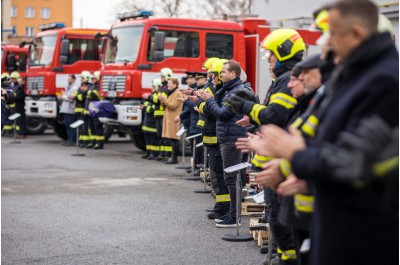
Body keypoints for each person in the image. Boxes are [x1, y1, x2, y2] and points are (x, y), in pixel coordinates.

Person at [256, 1, 398, 264]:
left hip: (361, 235)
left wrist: (294, 154)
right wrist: (305, 176)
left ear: (356, 34)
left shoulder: (384, 81)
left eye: (332, 34)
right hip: (337, 223)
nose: (325, 43)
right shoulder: (355, 76)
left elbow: (354, 162)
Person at [226, 29, 305, 265]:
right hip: (276, 159)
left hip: (281, 161)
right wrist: (253, 119)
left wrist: (246, 107)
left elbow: (275, 116)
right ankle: (282, 258)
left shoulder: (285, 80)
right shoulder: (282, 79)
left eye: (270, 55)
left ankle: (287, 260)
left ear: (283, 52)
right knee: (277, 218)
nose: (269, 60)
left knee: (281, 221)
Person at [197, 60, 247, 228]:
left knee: (231, 178)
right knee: (229, 177)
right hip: (227, 137)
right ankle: (231, 213)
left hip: (232, 139)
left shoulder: (236, 92)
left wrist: (209, 100)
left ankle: (234, 216)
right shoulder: (229, 90)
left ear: (233, 74)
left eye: (223, 72)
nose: (220, 75)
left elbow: (222, 114)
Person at [158, 77, 183, 164]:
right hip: (169, 118)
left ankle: (174, 158)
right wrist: (162, 100)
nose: (168, 85)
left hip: (174, 119)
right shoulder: (171, 93)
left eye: (170, 83)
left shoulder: (177, 94)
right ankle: (170, 156)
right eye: (168, 83)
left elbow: (173, 106)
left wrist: (164, 99)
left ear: (175, 84)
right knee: (170, 138)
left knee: (174, 138)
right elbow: (166, 105)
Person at [141, 78, 161, 160]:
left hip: (152, 122)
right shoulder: (151, 96)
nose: (152, 88)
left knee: (153, 140)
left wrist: (145, 108)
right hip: (147, 122)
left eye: (153, 86)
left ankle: (154, 153)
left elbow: (153, 109)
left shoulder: (156, 97)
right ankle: (149, 152)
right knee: (147, 139)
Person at [71, 71, 91, 147]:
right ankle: (81, 141)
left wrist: (76, 97)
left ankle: (86, 142)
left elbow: (82, 97)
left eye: (82, 78)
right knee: (80, 127)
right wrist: (75, 96)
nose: (81, 79)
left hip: (83, 109)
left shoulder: (88, 86)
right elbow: (76, 94)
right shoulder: (81, 86)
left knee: (85, 126)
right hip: (78, 110)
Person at [85, 71, 104, 149]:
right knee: (91, 126)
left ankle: (99, 143)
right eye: (92, 78)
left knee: (97, 126)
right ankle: (93, 142)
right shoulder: (92, 86)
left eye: (94, 78)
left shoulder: (100, 86)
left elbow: (100, 96)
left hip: (96, 109)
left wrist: (91, 93)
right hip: (90, 108)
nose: (93, 79)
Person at [58, 74, 78, 146]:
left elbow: (71, 99)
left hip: (70, 109)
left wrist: (63, 96)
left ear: (73, 79)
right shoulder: (67, 87)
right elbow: (67, 97)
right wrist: (64, 96)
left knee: (71, 125)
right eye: (68, 79)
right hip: (66, 109)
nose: (68, 80)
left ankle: (72, 140)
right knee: (67, 125)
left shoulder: (74, 88)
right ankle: (68, 139)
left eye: (69, 79)